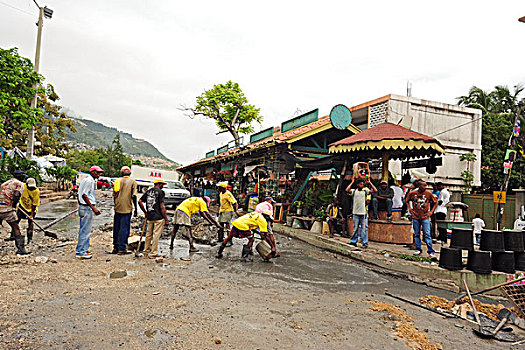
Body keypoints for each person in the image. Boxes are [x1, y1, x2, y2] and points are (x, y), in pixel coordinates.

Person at [76, 166, 104, 259]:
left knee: (85, 229)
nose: (99, 175)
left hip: (84, 207)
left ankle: (84, 248)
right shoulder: (89, 181)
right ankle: (80, 252)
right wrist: (93, 208)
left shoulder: (86, 180)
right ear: (93, 172)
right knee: (85, 231)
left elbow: (79, 194)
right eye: (97, 173)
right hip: (86, 207)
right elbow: (84, 195)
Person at [0, 170, 31, 255]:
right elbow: (17, 195)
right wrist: (13, 206)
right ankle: (21, 249)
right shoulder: (19, 184)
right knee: (16, 227)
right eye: (24, 176)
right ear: (21, 176)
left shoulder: (5, 183)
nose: (24, 178)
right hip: (7, 209)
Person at [406, 180, 438, 258]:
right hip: (415, 216)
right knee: (416, 234)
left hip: (425, 216)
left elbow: (435, 202)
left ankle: (430, 251)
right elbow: (407, 200)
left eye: (425, 185)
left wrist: (431, 212)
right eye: (423, 185)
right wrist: (410, 209)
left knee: (427, 234)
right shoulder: (413, 193)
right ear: (419, 186)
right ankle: (418, 249)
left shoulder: (428, 193)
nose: (425, 187)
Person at [139, 179, 169, 258]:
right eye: (162, 184)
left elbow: (140, 201)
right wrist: (166, 219)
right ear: (159, 184)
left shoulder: (148, 191)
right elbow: (162, 206)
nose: (163, 186)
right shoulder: (160, 192)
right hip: (158, 217)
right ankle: (153, 253)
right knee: (156, 235)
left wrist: (145, 212)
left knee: (148, 235)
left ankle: (146, 251)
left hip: (150, 216)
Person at [111, 166, 138, 255]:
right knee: (124, 229)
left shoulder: (117, 181)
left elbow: (114, 195)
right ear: (129, 173)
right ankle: (122, 248)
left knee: (116, 227)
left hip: (118, 207)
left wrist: (116, 205)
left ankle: (115, 247)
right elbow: (134, 196)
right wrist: (136, 209)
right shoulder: (133, 182)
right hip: (127, 208)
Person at [346, 177, 376, 248]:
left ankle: (365, 243)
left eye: (362, 184)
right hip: (355, 212)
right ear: (357, 185)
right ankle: (353, 241)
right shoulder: (354, 191)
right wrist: (352, 182)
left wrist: (370, 183)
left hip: (363, 213)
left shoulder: (365, 191)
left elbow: (375, 190)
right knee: (355, 228)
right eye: (360, 184)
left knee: (364, 229)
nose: (361, 185)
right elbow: (347, 190)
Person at [16, 177, 40, 244]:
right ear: (26, 184)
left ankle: (30, 239)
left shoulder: (36, 191)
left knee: (30, 222)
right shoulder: (23, 186)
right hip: (22, 206)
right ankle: (13, 235)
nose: (32, 188)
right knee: (16, 220)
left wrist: (31, 215)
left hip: (32, 208)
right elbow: (17, 193)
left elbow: (34, 204)